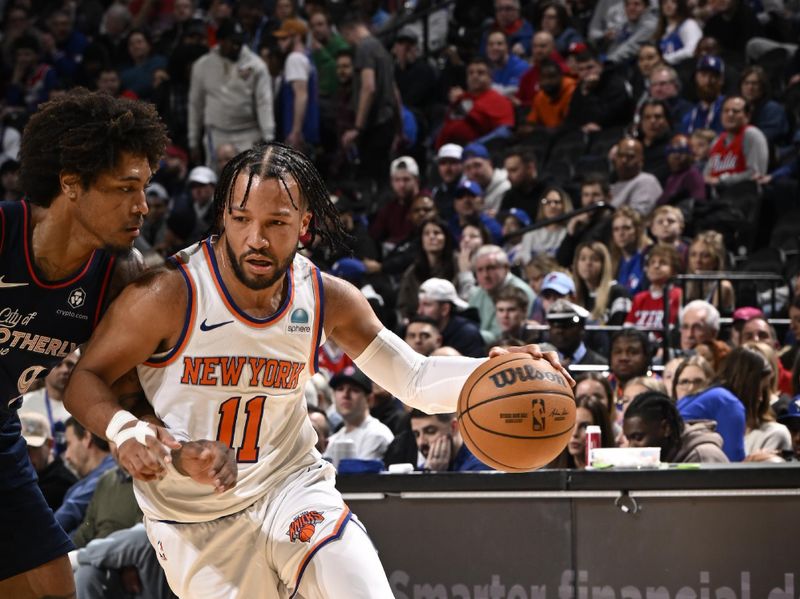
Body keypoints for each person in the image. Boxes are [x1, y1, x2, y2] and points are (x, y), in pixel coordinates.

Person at [64, 142, 570, 598]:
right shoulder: (168, 294)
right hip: (192, 517)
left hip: (291, 486)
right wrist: (123, 427)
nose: (255, 239)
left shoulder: (326, 298)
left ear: (304, 224)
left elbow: (413, 378)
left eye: (276, 222)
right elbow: (85, 380)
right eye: (240, 219)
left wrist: (503, 372)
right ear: (222, 217)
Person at [0, 91, 168, 598]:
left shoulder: (117, 274)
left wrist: (152, 434)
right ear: (71, 184)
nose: (142, 205)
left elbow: (125, 393)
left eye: (145, 188)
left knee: (54, 588)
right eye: (125, 188)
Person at [188, 19, 274, 166]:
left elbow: (264, 102)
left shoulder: (256, 65)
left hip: (248, 134)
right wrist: (193, 139)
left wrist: (268, 136)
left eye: (239, 42)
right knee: (217, 182)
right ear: (220, 41)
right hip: (216, 134)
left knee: (248, 182)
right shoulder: (203, 65)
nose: (236, 46)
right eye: (232, 42)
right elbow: (195, 104)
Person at [339, 12, 399, 185]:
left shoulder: (364, 48)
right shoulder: (381, 48)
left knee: (370, 179)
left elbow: (369, 86)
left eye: (346, 37)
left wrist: (358, 127)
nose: (348, 43)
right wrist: (399, 127)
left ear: (350, 31)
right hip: (388, 122)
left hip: (374, 126)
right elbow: (395, 92)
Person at [677, 347, 751, 461]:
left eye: (698, 382)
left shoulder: (722, 401)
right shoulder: (726, 400)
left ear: (709, 384)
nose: (690, 388)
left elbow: (732, 460)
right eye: (684, 382)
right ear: (674, 386)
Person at [624, 391, 729, 463]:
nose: (631, 447)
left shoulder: (704, 456)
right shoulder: (661, 458)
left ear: (666, 428)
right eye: (628, 439)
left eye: (638, 437)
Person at [436, 58, 515, 150]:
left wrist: (475, 146)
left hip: (478, 151)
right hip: (448, 150)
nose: (474, 76)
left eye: (480, 73)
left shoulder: (500, 101)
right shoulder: (461, 98)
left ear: (491, 77)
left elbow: (504, 132)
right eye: (471, 73)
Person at [467, 245, 535, 345]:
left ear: (506, 268)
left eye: (490, 268)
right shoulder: (476, 293)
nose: (485, 275)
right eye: (480, 270)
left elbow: (503, 335)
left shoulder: (521, 291)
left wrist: (469, 333)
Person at [323, 366, 394, 462]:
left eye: (354, 389)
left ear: (369, 400)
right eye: (340, 389)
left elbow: (361, 476)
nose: (345, 395)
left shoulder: (377, 433)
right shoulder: (334, 438)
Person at [703, 95, 769, 192]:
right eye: (726, 111)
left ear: (747, 116)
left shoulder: (752, 135)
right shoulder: (717, 141)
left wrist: (721, 180)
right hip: (718, 200)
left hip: (745, 199)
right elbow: (706, 175)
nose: (730, 114)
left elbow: (755, 174)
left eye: (736, 111)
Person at [274, 18, 320, 150]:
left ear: (297, 37)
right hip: (308, 126)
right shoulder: (307, 56)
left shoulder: (295, 58)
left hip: (299, 131)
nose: (280, 43)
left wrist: (296, 131)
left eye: (284, 38)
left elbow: (301, 95)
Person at [19, 411, 77, 511]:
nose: (27, 455)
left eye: (32, 448)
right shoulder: (16, 476)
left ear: (50, 444)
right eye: (21, 449)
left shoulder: (64, 484)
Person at [418, 277, 487, 358]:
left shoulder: (468, 334)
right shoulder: (419, 328)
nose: (419, 311)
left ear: (445, 309)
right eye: (420, 304)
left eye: (427, 305)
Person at [625, 243, 683, 334]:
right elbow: (627, 330)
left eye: (663, 262)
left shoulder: (678, 295)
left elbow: (677, 330)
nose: (656, 266)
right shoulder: (639, 298)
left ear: (674, 270)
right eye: (652, 262)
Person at [572, 241, 631, 326]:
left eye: (594, 259)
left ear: (604, 265)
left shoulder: (618, 293)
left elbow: (620, 332)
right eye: (583, 259)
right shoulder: (576, 296)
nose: (588, 263)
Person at [409, 410, 490, 471]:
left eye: (430, 431)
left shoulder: (479, 467)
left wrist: (434, 477)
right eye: (416, 434)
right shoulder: (428, 466)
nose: (421, 442)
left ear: (454, 427)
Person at [518, 187, 574, 262]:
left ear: (564, 205)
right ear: (542, 206)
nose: (552, 205)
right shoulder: (530, 234)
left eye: (557, 202)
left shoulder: (569, 233)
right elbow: (525, 262)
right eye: (547, 202)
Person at [610, 138, 663, 216]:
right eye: (620, 155)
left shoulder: (646, 181)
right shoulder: (613, 185)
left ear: (641, 160)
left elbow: (638, 217)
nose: (624, 160)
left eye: (630, 156)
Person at [546, 299, 608, 366]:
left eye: (567, 326)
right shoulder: (544, 363)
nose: (559, 331)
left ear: (581, 328)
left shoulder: (599, 365)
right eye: (555, 326)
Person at [461, 142, 511, 217]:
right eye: (468, 168)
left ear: (489, 163)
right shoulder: (469, 193)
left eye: (477, 165)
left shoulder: (506, 185)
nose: (473, 172)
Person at [657, 134, 707, 207]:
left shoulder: (692, 174)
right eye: (672, 152)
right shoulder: (671, 176)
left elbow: (698, 204)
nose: (676, 156)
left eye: (682, 152)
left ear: (691, 156)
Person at [681, 55, 726, 134]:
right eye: (703, 75)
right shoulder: (690, 116)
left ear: (721, 80)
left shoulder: (729, 110)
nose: (708, 81)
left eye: (714, 76)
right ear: (696, 78)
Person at [655, 0, 702, 65]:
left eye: (673, 1)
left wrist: (665, 59)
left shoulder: (689, 24)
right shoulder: (662, 31)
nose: (668, 5)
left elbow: (692, 50)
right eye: (664, 2)